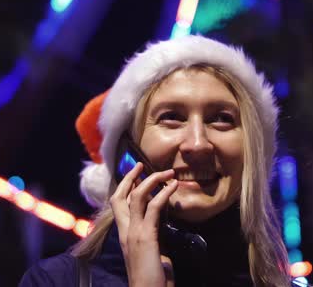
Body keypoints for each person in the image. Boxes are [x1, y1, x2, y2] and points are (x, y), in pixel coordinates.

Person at [19, 35, 297, 286]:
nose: (197, 144)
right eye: (171, 118)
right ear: (128, 148)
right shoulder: (54, 282)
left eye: (222, 119)